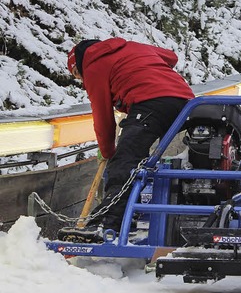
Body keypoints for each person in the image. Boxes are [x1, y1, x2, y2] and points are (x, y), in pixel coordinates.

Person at [58, 38, 195, 243]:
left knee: (124, 161)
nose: (80, 80)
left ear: (79, 65)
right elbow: (171, 57)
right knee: (137, 159)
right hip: (185, 101)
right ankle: (130, 214)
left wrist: (107, 151)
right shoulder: (131, 46)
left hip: (150, 102)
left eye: (77, 75)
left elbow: (102, 116)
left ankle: (107, 224)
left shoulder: (93, 66)